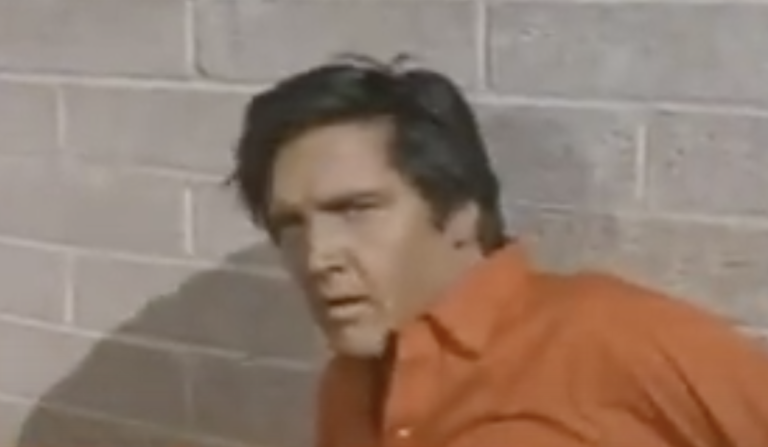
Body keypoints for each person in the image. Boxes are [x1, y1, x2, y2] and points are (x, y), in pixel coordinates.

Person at [228, 54, 768, 446]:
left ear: (460, 211)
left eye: (356, 210)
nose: (317, 257)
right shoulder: (349, 388)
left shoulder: (611, 337)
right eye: (291, 226)